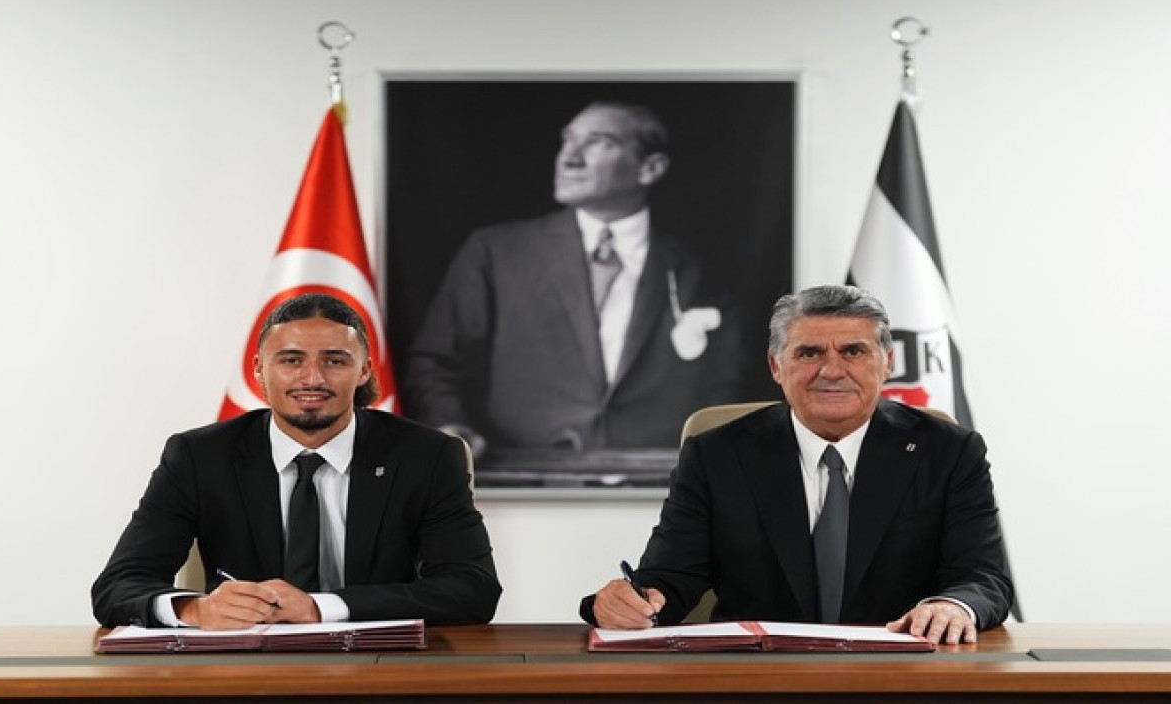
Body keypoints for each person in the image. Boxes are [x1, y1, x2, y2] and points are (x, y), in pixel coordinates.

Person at [581, 285, 1013, 644]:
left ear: (887, 364)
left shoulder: (950, 452)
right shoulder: (717, 455)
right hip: (758, 679)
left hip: (903, 676)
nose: (832, 370)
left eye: (853, 351)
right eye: (809, 353)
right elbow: (669, 577)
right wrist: (630, 602)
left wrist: (953, 606)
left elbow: (983, 577)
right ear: (776, 366)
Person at [93, 293, 502, 629]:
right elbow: (118, 586)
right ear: (259, 370)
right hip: (242, 673)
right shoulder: (199, 457)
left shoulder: (427, 456)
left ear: (364, 371)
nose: (312, 379)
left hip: (380, 669)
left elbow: (472, 589)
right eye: (291, 360)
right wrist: (195, 610)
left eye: (335, 360)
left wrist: (320, 608)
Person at [404, 101, 742, 457]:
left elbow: (726, 379)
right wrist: (450, 426)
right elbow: (436, 362)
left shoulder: (702, 263)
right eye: (567, 140)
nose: (569, 157)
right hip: (525, 475)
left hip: (664, 475)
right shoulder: (496, 252)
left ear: (650, 168)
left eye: (599, 142)